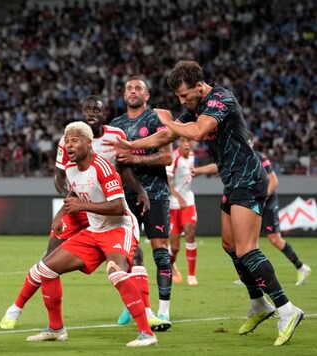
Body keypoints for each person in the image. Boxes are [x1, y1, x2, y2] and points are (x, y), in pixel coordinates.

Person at [108, 60, 304, 346]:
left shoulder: (220, 99)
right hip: (233, 180)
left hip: (248, 178)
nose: (181, 100)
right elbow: (169, 134)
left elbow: (198, 132)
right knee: (229, 246)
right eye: (178, 97)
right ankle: (259, 304)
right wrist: (130, 145)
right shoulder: (195, 107)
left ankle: (287, 309)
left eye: (185, 95)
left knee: (248, 249)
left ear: (199, 86)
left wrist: (167, 119)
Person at [0, 95, 160, 330]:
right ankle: (18, 309)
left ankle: (146, 314)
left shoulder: (115, 138)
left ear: (103, 114)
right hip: (81, 207)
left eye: (96, 110)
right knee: (48, 261)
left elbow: (123, 170)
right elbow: (62, 178)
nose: (91, 113)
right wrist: (66, 209)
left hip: (110, 209)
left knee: (131, 259)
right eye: (87, 109)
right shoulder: (69, 147)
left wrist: (140, 190)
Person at [25, 121, 157, 347]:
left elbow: (117, 207)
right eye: (66, 141)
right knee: (45, 269)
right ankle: (56, 329)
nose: (68, 145)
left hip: (119, 227)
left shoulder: (103, 167)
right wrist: (60, 216)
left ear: (88, 143)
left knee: (115, 272)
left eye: (73, 140)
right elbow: (74, 197)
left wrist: (81, 207)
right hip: (95, 231)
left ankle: (147, 333)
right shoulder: (70, 169)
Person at [109, 77, 173, 330]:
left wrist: (136, 160)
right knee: (129, 253)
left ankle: (164, 311)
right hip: (125, 196)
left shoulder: (156, 120)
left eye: (138, 88)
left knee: (160, 252)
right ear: (124, 95)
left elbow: (167, 157)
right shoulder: (116, 125)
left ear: (147, 95)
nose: (133, 92)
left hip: (156, 193)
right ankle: (134, 304)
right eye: (128, 88)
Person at [193, 150, 311, 286]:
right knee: (246, 242)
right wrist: (200, 170)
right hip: (250, 201)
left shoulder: (258, 156)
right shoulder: (237, 156)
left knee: (275, 239)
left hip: (264, 201)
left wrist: (261, 199)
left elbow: (274, 181)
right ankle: (250, 277)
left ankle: (302, 267)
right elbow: (219, 166)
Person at [166, 137, 198, 286]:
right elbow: (167, 180)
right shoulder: (174, 158)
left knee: (190, 232)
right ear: (179, 143)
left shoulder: (191, 156)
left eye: (188, 142)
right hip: (173, 204)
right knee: (175, 247)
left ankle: (191, 276)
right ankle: (171, 264)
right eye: (183, 142)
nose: (186, 144)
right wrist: (179, 198)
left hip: (188, 201)